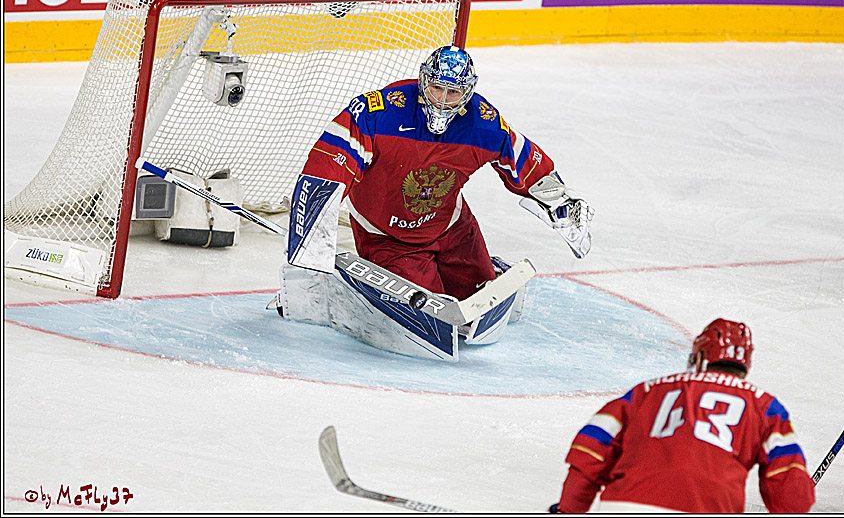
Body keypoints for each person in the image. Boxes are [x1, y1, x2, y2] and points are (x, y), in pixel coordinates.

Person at [276, 45, 594, 357]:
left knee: (480, 298)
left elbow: (522, 160)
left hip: (452, 227)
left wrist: (561, 205)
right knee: (432, 312)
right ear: (422, 79)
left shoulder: (482, 121)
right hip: (388, 235)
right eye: (436, 87)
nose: (442, 100)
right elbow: (332, 160)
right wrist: (315, 215)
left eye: (452, 92)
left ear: (467, 92)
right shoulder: (379, 112)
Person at [550, 319, 815, 513]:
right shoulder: (766, 406)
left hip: (627, 505)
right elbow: (789, 482)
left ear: (701, 356)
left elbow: (591, 450)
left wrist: (568, 510)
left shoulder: (646, 391)